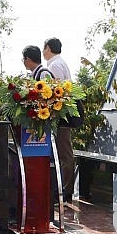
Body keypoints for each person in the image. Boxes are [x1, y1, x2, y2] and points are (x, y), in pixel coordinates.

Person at [43, 37, 74, 201]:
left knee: (63, 152)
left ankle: (65, 191)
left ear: (48, 48)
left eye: (44, 48)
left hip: (59, 114)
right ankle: (64, 189)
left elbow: (54, 91)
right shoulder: (60, 63)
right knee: (63, 151)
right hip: (61, 113)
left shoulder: (55, 65)